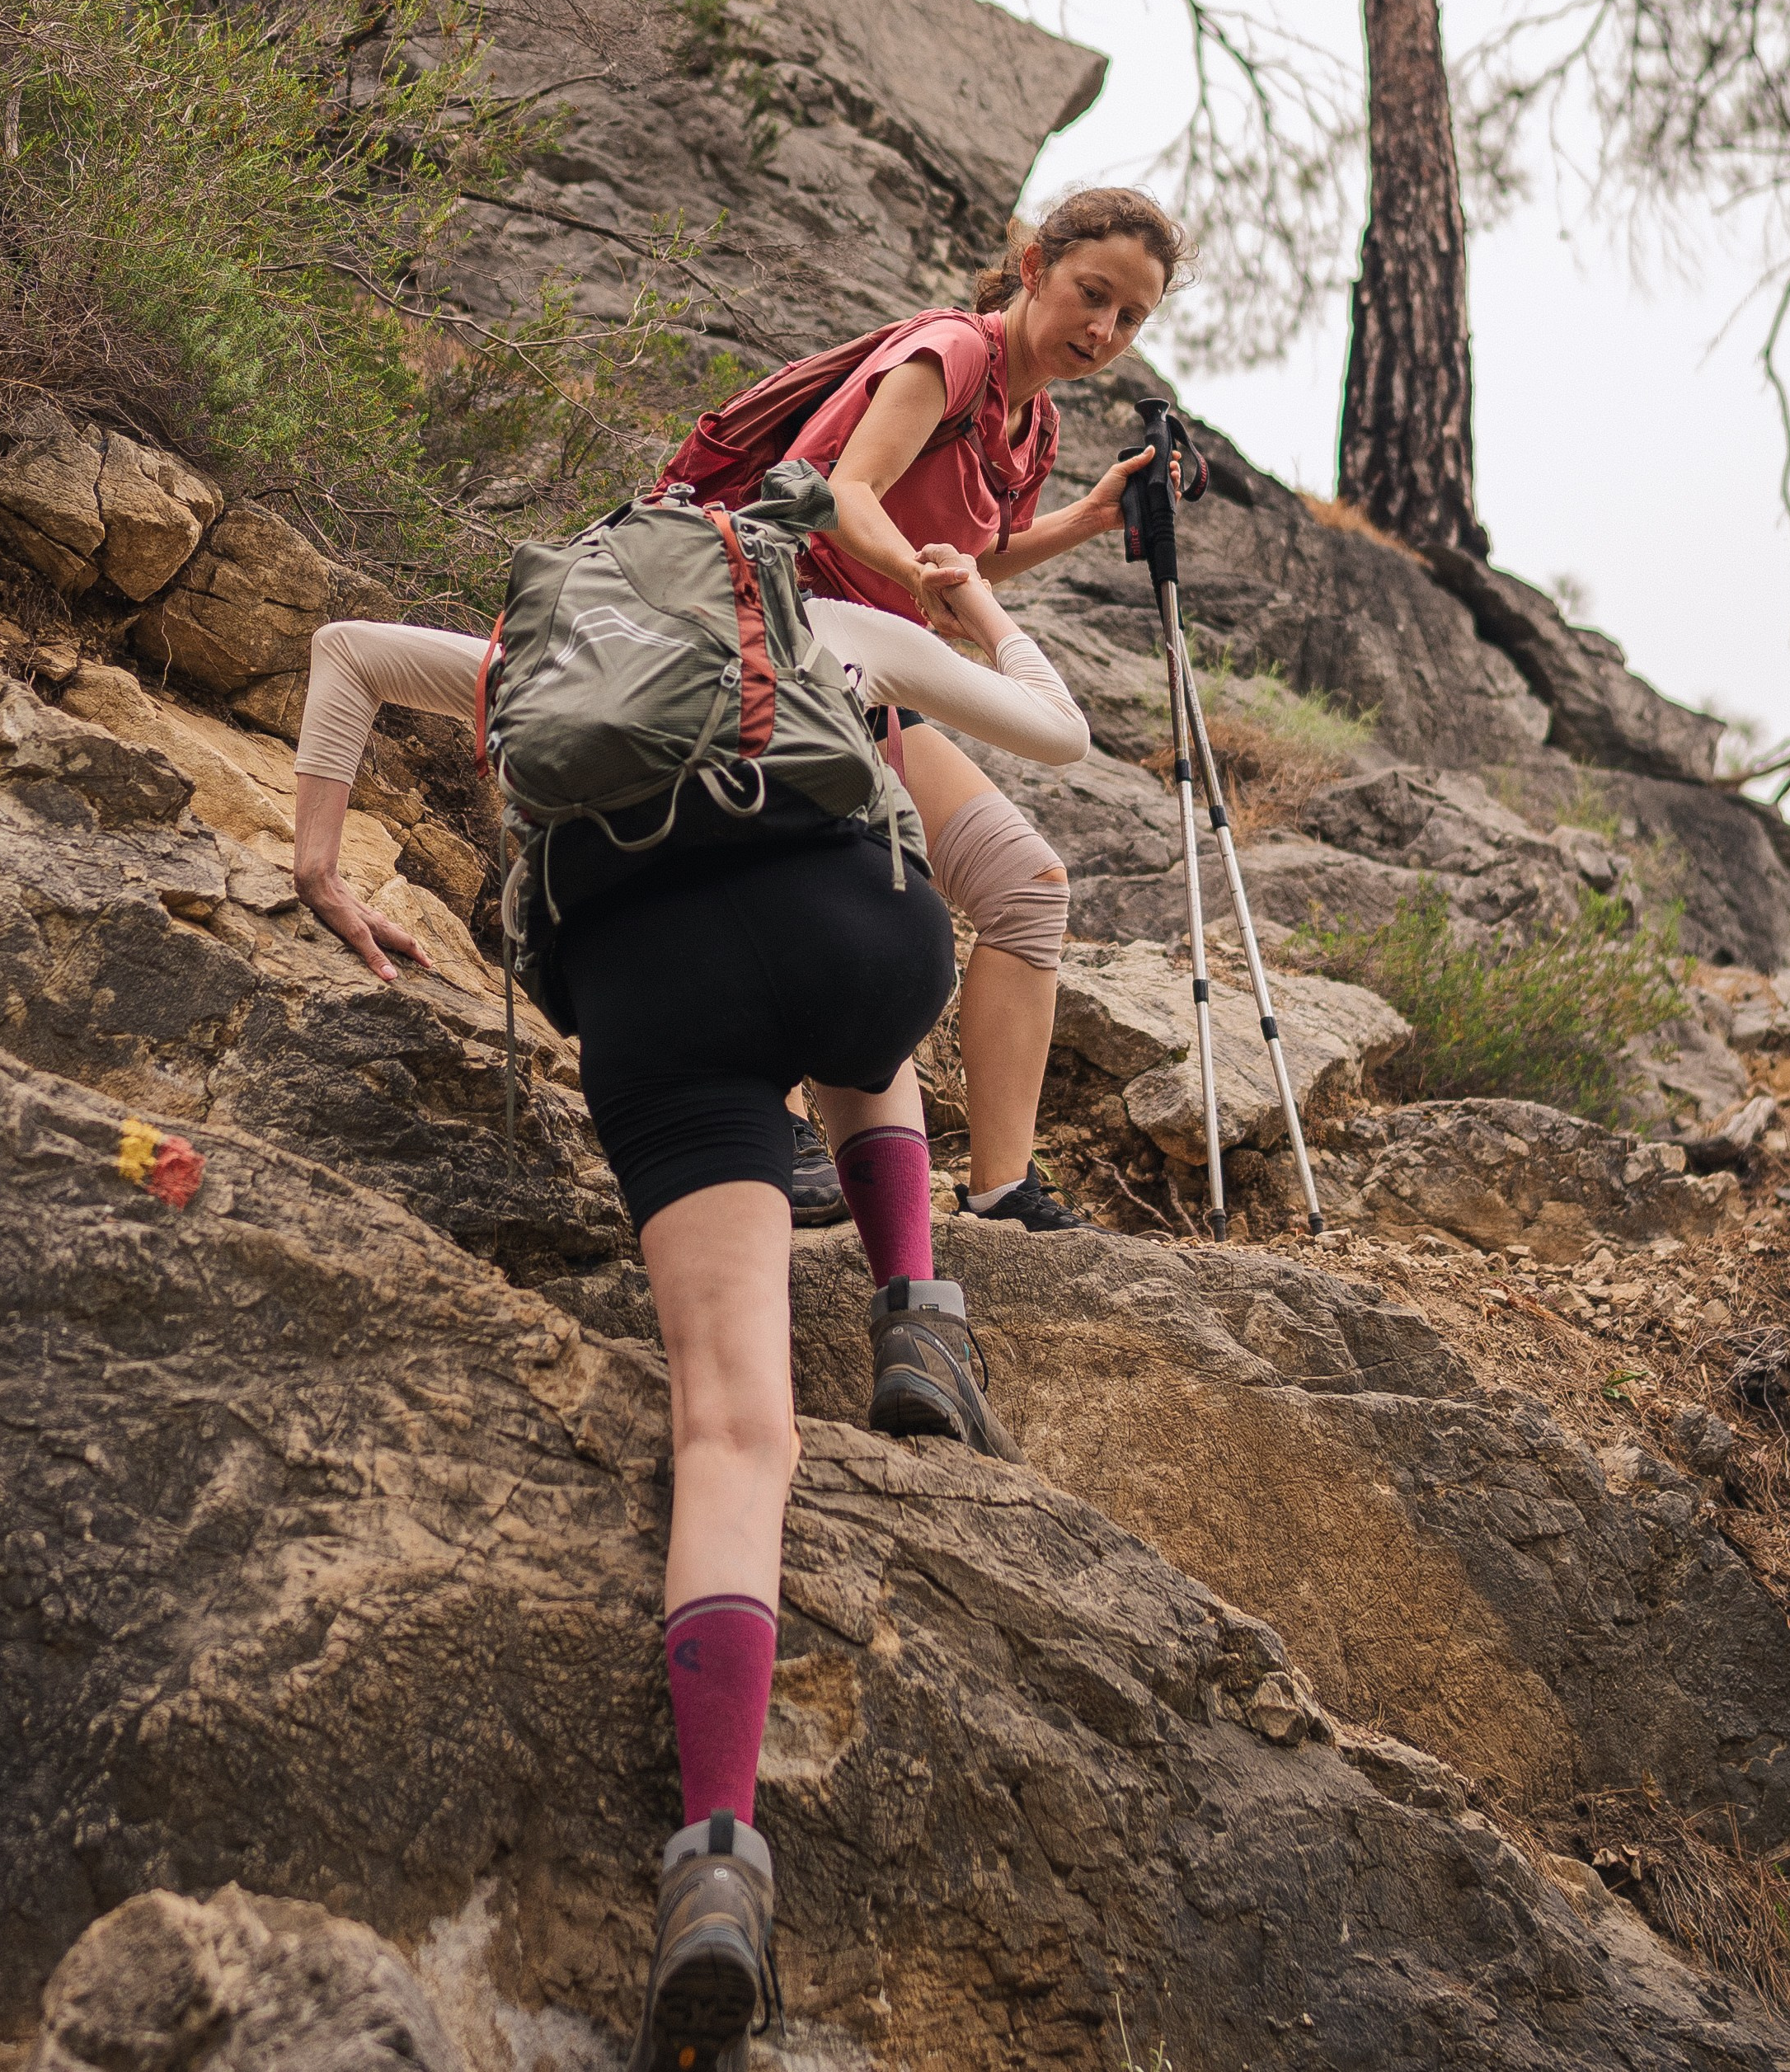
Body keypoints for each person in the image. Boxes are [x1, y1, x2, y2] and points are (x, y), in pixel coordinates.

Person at [289, 562, 1091, 2069]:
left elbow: (338, 653)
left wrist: (322, 861)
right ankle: (915, 1302)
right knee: (861, 911)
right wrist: (983, 612)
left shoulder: (519, 664)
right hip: (857, 948)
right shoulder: (819, 627)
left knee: (732, 1429)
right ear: (741, 564)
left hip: (654, 1003)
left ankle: (715, 1855)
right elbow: (1065, 738)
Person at [780, 186, 1186, 1233]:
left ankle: (1002, 1190)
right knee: (836, 877)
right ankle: (764, 1108)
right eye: (1090, 294)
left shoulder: (1031, 422)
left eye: (1129, 318)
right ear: (1033, 265)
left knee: (1026, 886)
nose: (1101, 329)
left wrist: (1090, 518)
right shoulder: (951, 354)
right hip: (778, 644)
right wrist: (920, 579)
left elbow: (978, 554)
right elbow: (846, 493)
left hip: (876, 676)